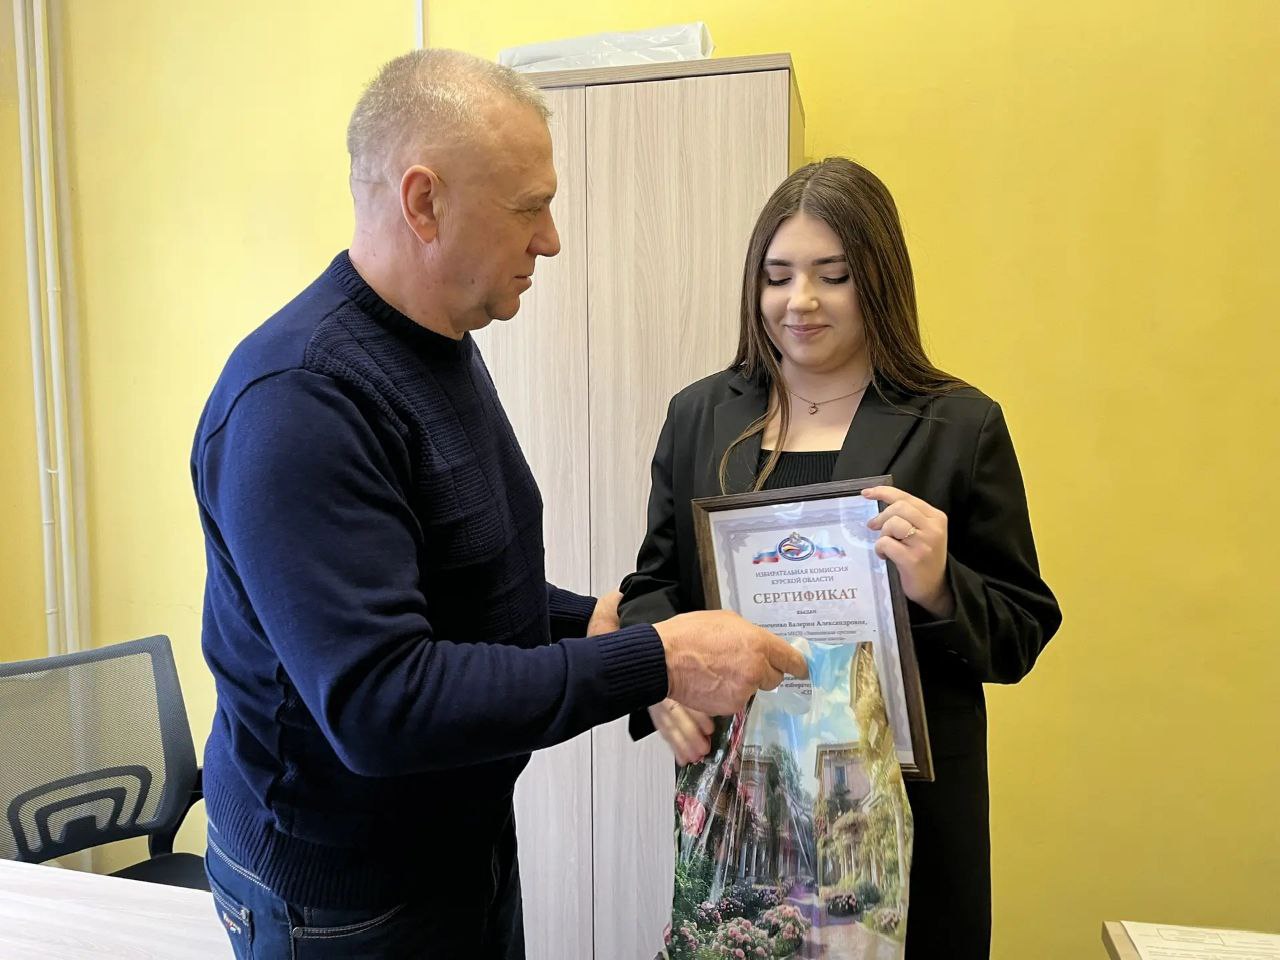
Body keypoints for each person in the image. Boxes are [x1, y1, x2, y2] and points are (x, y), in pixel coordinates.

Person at [190, 49, 806, 960]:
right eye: (528, 208)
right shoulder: (299, 403)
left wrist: (583, 619)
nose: (550, 240)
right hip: (341, 904)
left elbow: (452, 580)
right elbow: (382, 704)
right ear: (424, 203)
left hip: (457, 846)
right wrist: (656, 659)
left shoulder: (440, 343)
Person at [620, 157, 1062, 959]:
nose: (801, 301)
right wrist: (658, 681)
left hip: (907, 810)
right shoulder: (701, 416)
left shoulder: (958, 425)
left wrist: (940, 586)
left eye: (833, 276)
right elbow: (653, 585)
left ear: (878, 280)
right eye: (778, 276)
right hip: (745, 797)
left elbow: (1022, 628)